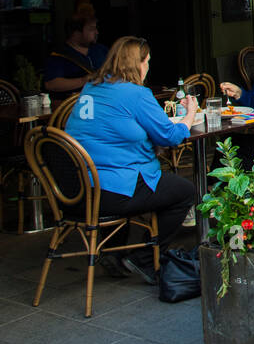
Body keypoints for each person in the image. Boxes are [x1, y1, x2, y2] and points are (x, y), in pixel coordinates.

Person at [65, 36, 199, 283]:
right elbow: (170, 136)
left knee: (136, 180)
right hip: (113, 193)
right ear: (137, 64)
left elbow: (105, 132)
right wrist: (189, 115)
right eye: (147, 61)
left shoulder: (91, 88)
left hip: (76, 190)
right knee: (184, 191)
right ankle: (146, 258)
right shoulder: (136, 93)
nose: (148, 67)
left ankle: (112, 251)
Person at [43, 9, 108, 99]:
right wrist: (85, 80)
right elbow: (51, 84)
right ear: (76, 33)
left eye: (96, 28)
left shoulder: (101, 50)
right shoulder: (59, 56)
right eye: (91, 29)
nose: (96, 32)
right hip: (77, 106)